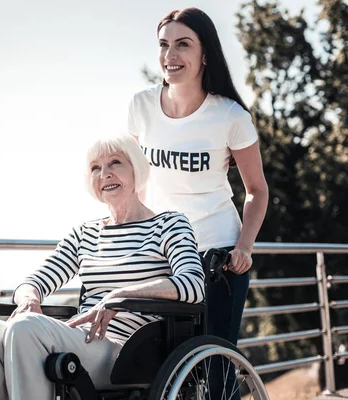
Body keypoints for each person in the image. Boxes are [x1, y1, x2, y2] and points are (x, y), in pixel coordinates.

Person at [0, 134, 205, 400]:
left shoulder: (168, 225)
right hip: (82, 338)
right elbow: (34, 281)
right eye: (95, 168)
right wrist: (29, 299)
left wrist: (120, 296)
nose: (105, 174)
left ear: (137, 169)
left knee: (24, 329)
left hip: (128, 351)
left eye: (115, 163)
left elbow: (192, 285)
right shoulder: (85, 234)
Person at [127, 7, 269, 348]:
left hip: (218, 258)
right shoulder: (141, 106)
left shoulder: (230, 116)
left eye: (183, 45)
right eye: (164, 45)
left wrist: (244, 247)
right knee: (160, 365)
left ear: (205, 54)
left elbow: (257, 190)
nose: (170, 55)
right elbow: (136, 184)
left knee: (215, 366)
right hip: (161, 254)